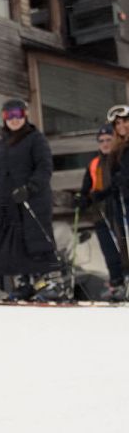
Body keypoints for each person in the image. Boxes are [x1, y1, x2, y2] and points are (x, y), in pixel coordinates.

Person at [0, 100, 56, 302]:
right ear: (3, 118)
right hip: (7, 202)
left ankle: (43, 281)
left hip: (31, 200)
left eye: (18, 114)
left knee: (33, 238)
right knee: (10, 241)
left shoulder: (36, 139)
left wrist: (30, 188)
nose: (14, 119)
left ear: (25, 115)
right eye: (9, 115)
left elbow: (44, 168)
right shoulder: (0, 145)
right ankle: (23, 282)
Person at [77, 109, 129, 297]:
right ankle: (117, 281)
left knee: (123, 244)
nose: (105, 143)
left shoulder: (118, 154)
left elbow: (119, 180)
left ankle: (124, 278)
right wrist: (83, 198)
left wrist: (109, 190)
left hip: (118, 205)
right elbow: (87, 187)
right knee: (111, 248)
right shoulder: (96, 162)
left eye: (108, 139)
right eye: (102, 141)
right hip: (104, 209)